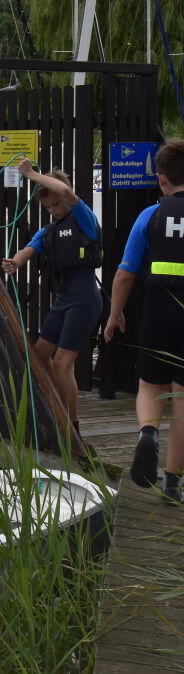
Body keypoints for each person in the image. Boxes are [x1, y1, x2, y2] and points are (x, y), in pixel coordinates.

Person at [104, 139, 184, 503]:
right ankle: (173, 483)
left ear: (161, 179)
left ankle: (148, 433)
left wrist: (114, 315)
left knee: (151, 386)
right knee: (182, 396)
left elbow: (124, 274)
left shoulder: (150, 215)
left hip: (157, 309)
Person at [0, 161, 101, 436]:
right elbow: (28, 249)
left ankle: (72, 429)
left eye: (56, 205)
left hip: (84, 300)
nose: (53, 210)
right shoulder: (49, 231)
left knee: (62, 363)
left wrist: (31, 175)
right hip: (63, 301)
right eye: (48, 208)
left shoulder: (85, 220)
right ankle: (57, 408)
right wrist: (15, 262)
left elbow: (66, 192)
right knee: (40, 355)